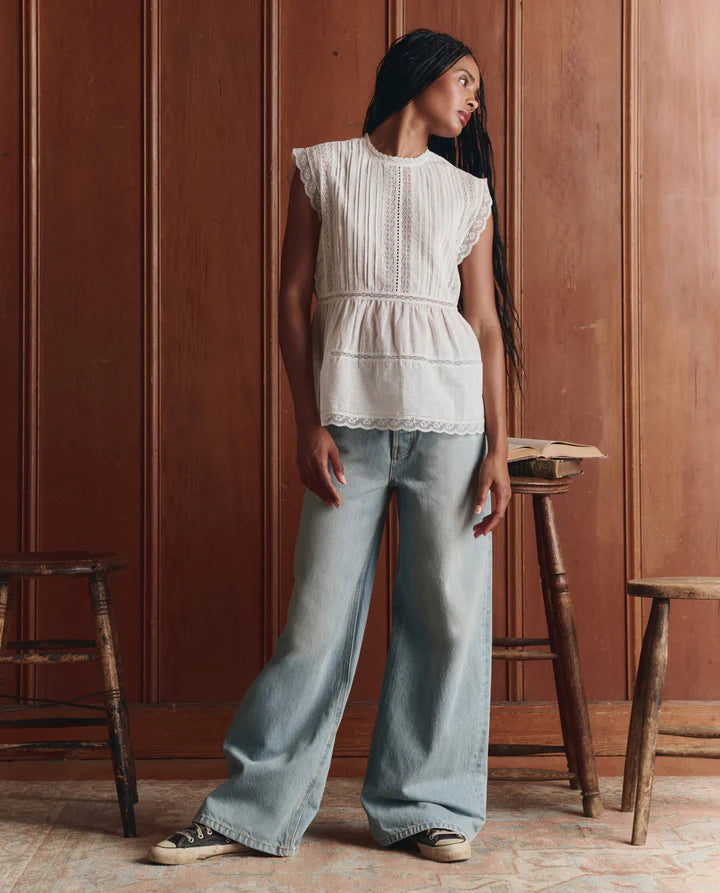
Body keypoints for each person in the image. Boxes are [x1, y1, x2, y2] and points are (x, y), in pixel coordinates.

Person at [148, 27, 525, 867]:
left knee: (448, 619)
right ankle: (246, 809)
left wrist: (498, 450)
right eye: (461, 81)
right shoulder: (322, 167)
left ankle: (426, 804)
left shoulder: (467, 193)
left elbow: (487, 328)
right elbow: (292, 299)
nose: (471, 99)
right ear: (418, 77)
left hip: (452, 429)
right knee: (314, 623)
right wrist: (306, 420)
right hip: (347, 426)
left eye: (476, 89)